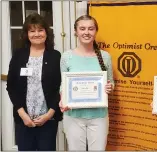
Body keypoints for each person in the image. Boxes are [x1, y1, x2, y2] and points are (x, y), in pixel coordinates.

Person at [6, 13, 62, 151]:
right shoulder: (18, 55)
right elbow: (11, 86)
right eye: (32, 31)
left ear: (46, 33)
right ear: (27, 34)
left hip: (48, 119)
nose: (36, 34)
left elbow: (60, 88)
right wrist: (23, 114)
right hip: (24, 119)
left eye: (40, 30)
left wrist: (49, 114)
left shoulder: (55, 56)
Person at [59, 15, 114, 151]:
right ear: (75, 32)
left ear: (96, 31)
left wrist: (109, 87)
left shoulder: (105, 56)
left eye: (91, 28)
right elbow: (63, 85)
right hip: (73, 116)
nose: (86, 32)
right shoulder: (67, 56)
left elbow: (111, 82)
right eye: (82, 28)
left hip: (99, 117)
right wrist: (62, 99)